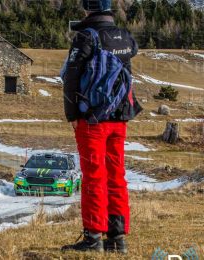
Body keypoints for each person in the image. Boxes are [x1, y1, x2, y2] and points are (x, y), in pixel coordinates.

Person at [61, 0, 141, 254]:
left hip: (92, 120)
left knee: (93, 177)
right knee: (116, 175)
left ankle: (93, 237)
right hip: (120, 117)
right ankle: (117, 238)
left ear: (88, 8)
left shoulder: (86, 36)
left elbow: (71, 76)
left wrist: (72, 114)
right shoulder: (124, 36)